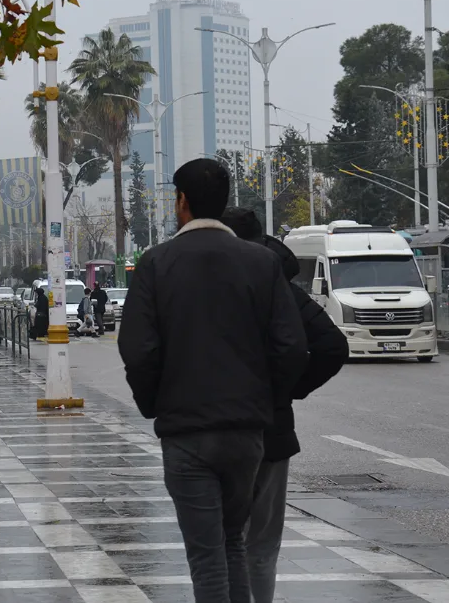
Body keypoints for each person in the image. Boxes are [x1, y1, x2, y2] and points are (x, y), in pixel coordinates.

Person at [117, 158, 307, 603]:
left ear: (181, 202)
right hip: (246, 432)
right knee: (232, 542)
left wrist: (154, 403)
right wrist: (264, 400)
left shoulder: (156, 263)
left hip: (187, 432)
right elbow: (292, 347)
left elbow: (138, 349)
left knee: (206, 557)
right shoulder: (261, 262)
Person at [221, 207, 350, 603]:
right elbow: (332, 346)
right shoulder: (283, 287)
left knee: (223, 541)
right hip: (271, 431)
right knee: (261, 545)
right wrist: (287, 391)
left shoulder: (212, 288)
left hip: (219, 429)